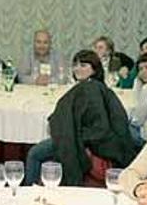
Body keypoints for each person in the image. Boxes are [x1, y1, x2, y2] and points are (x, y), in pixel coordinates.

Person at [24, 50, 137, 186]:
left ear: (94, 69)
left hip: (83, 140)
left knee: (34, 154)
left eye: (83, 65)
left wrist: (74, 138)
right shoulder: (93, 87)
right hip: (82, 137)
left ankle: (27, 192)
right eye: (75, 65)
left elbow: (99, 126)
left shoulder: (90, 89)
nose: (77, 68)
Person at [128, 52, 147, 145]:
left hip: (145, 136)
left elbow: (137, 120)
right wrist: (137, 82)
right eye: (140, 69)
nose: (143, 72)